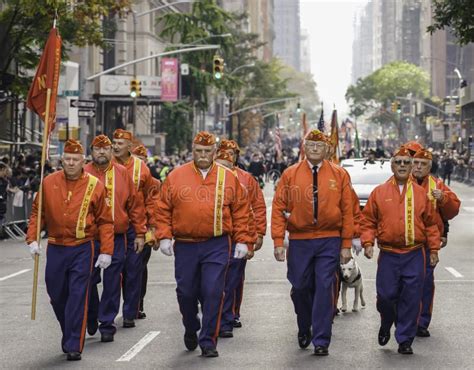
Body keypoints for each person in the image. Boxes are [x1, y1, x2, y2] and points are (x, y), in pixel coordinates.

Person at [156, 131, 251, 358]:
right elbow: (162, 208)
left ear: (215, 153)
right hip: (186, 244)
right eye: (198, 151)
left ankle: (208, 339)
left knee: (213, 291)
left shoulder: (228, 178)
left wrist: (242, 240)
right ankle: (191, 326)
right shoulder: (176, 176)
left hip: (216, 244)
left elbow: (240, 210)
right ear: (193, 151)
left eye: (207, 151)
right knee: (185, 292)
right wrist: (164, 235)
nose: (203, 155)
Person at [26, 139, 114, 361]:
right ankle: (70, 328)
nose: (72, 163)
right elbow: (38, 212)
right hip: (56, 246)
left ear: (83, 161)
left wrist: (106, 250)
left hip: (83, 247)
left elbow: (105, 221)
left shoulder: (96, 185)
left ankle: (74, 342)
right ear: (61, 160)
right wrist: (32, 239)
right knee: (56, 294)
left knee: (77, 295)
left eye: (76, 159)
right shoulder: (48, 183)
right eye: (68, 159)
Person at [271, 129, 354, 356]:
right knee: (299, 287)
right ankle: (304, 323)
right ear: (304, 148)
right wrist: (279, 240)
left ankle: (321, 339)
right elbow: (279, 208)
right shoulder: (290, 174)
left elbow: (348, 210)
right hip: (300, 240)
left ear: (327, 149)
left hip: (329, 239)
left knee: (324, 287)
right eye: (311, 145)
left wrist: (346, 243)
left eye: (320, 145)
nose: (315, 149)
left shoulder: (339, 175)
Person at [361, 146, 440, 355]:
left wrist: (434, 249)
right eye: (399, 162)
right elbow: (368, 220)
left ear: (412, 166)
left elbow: (432, 224)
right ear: (392, 165)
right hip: (388, 255)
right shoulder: (379, 192)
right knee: (386, 297)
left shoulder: (422, 194)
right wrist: (367, 242)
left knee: (412, 297)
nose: (403, 166)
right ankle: (386, 321)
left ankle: (405, 339)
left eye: (407, 162)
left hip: (414, 254)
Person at [84, 135, 147, 342]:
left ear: (111, 151)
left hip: (118, 236)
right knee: (89, 280)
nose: (101, 152)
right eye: (97, 149)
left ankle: (107, 323)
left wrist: (140, 233)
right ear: (91, 151)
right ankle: (91, 313)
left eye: (106, 149)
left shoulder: (122, 173)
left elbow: (135, 205)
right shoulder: (83, 173)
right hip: (90, 238)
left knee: (112, 281)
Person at [215, 140, 267, 336]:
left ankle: (230, 316)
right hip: (213, 237)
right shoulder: (208, 177)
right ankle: (214, 313)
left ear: (236, 156)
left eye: (231, 153)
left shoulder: (246, 179)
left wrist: (258, 233)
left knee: (234, 279)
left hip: (238, 236)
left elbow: (258, 207)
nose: (228, 155)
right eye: (223, 152)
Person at [411, 148, 460, 337]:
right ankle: (405, 318)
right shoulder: (402, 183)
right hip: (406, 243)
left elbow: (451, 211)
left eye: (423, 164)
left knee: (425, 283)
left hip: (428, 243)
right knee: (403, 285)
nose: (419, 167)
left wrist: (444, 199)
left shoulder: (437, 185)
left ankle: (421, 322)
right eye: (416, 163)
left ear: (429, 167)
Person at [112, 129, 156, 327]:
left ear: (129, 147)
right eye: (114, 142)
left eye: (120, 143)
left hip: (136, 226)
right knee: (112, 272)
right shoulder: (105, 165)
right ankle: (105, 313)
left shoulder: (142, 169)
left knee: (134, 269)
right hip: (110, 227)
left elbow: (150, 201)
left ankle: (131, 311)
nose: (115, 146)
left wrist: (152, 229)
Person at [131, 144, 162, 319]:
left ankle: (137, 304)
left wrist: (155, 233)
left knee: (139, 268)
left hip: (144, 229)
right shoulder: (120, 177)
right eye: (136, 160)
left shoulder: (154, 182)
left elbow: (156, 209)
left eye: (143, 161)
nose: (139, 164)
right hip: (123, 229)